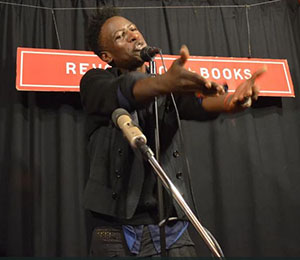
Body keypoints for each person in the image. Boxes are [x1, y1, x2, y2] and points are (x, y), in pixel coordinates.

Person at [80, 7, 265, 257]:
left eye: (133, 28)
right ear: (106, 55)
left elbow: (197, 104)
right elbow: (121, 90)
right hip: (115, 234)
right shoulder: (94, 82)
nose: (133, 35)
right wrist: (163, 83)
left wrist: (231, 102)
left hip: (171, 229)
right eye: (120, 36)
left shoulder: (166, 87)